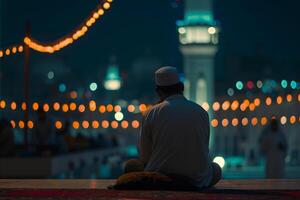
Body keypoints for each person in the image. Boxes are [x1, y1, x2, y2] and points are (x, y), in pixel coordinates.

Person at [125, 66, 221, 189]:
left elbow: (145, 156)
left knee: (131, 165)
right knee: (216, 169)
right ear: (181, 87)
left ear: (158, 91)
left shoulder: (151, 112)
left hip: (160, 178)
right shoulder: (201, 111)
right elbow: (204, 150)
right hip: (195, 179)